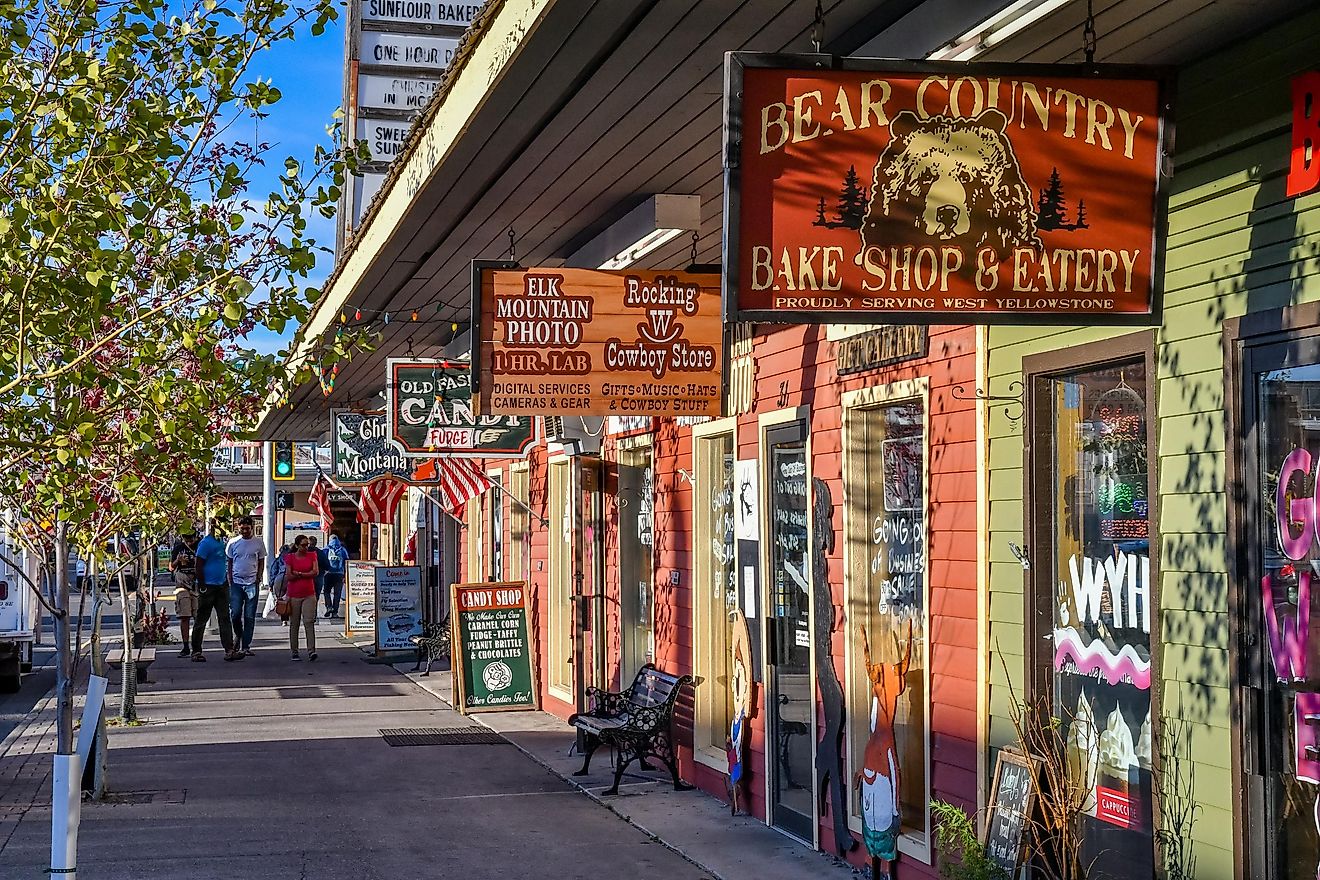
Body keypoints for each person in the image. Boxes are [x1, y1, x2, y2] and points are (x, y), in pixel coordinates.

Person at [192, 521, 241, 662]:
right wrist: (201, 584)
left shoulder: (221, 542)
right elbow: (198, 564)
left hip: (221, 585)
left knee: (224, 618)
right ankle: (196, 651)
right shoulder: (206, 543)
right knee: (202, 618)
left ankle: (229, 650)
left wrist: (225, 581)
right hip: (208, 586)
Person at [226, 516, 266, 657]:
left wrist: (258, 577)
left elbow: (261, 561)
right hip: (236, 583)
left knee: (249, 616)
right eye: (241, 528)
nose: (244, 531)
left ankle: (246, 646)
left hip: (251, 583)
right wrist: (230, 579)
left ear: (252, 527)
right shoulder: (233, 542)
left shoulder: (258, 543)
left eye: (247, 528)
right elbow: (230, 562)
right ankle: (239, 634)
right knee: (235, 614)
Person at [284, 534, 319, 661]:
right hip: (294, 594)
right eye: (303, 545)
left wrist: (298, 573)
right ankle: (294, 651)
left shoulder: (312, 555)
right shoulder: (290, 557)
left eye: (307, 545)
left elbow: (315, 572)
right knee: (294, 623)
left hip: (309, 593)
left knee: (309, 621)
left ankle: (311, 650)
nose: (306, 547)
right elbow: (289, 576)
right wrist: (306, 574)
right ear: (297, 545)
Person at [170, 529, 200, 657]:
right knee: (184, 615)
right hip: (182, 583)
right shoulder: (179, 548)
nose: (189, 542)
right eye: (186, 539)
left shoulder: (200, 546)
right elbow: (171, 567)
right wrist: (178, 560)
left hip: (196, 582)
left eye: (191, 539)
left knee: (198, 615)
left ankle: (197, 645)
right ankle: (186, 645)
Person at [323, 532, 351, 618]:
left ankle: (329, 607)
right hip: (339, 574)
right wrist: (346, 574)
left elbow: (322, 561)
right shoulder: (342, 550)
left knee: (326, 591)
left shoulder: (326, 549)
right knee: (337, 594)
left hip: (328, 574)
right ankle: (335, 612)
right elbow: (347, 562)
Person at [309, 536, 330, 615]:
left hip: (307, 577)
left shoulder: (304, 552)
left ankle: (307, 613)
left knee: (306, 596)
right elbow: (327, 565)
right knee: (316, 595)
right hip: (318, 576)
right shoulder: (320, 552)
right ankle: (314, 614)